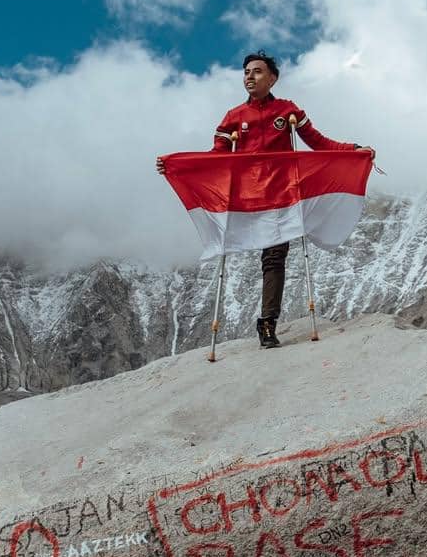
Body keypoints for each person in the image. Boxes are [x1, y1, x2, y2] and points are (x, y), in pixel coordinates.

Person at [158, 51, 374, 348]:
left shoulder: (288, 111)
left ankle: (267, 323)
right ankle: (266, 323)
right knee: (247, 253)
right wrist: (179, 164)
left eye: (257, 71)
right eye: (246, 71)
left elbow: (318, 143)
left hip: (283, 195)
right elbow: (217, 157)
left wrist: (353, 150)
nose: (250, 76)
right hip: (246, 198)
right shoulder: (234, 117)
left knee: (274, 257)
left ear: (272, 78)